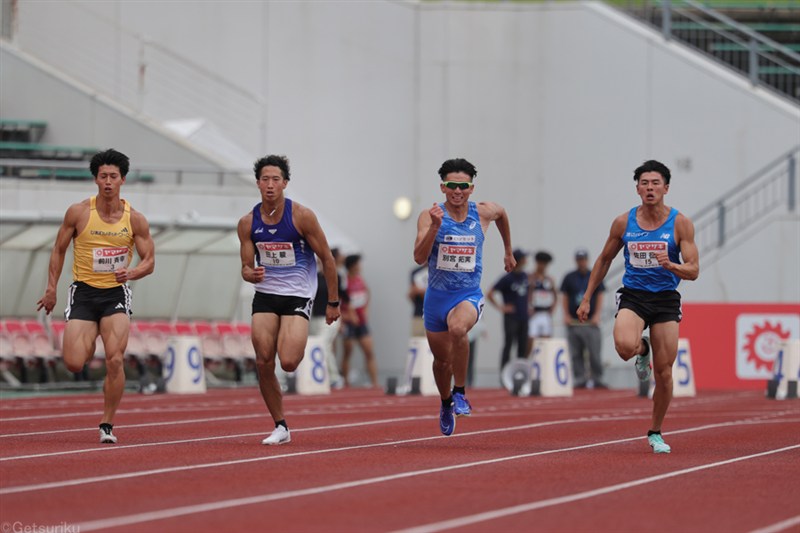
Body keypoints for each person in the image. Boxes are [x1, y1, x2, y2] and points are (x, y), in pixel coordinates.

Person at [577, 159, 699, 454]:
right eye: (644, 183)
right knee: (622, 348)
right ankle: (642, 349)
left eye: (655, 183)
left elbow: (694, 269)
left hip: (666, 299)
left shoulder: (680, 223)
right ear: (637, 188)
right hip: (634, 295)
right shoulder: (624, 222)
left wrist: (673, 265)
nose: (650, 188)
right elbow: (604, 259)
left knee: (665, 373)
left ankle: (655, 431)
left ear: (666, 188)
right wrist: (587, 296)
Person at [36, 149, 155, 444]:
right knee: (75, 363)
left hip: (115, 294)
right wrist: (51, 288)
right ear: (95, 179)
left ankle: (107, 424)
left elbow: (149, 260)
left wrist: (133, 273)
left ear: (123, 180)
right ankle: (88, 342)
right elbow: (59, 250)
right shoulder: (78, 212)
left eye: (113, 176)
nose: (108, 182)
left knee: (115, 359)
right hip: (84, 293)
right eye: (103, 176)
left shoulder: (135, 219)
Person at [237, 154, 340, 445]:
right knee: (263, 360)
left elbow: (327, 259)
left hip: (297, 295)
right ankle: (280, 425)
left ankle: (290, 340)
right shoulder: (247, 223)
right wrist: (249, 274)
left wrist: (333, 302)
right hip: (266, 295)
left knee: (290, 362)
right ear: (258, 183)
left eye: (276, 180)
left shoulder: (301, 216)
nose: (270, 185)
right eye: (265, 179)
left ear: (285, 183)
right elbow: (245, 267)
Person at [413, 158, 515, 436]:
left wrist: (508, 249)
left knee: (459, 329)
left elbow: (503, 214)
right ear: (443, 187)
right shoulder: (429, 215)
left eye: (463, 186)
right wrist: (434, 227)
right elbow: (419, 257)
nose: (457, 191)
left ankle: (460, 392)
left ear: (471, 188)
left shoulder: (483, 212)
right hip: (436, 298)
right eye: (451, 185)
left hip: (467, 294)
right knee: (441, 361)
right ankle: (446, 402)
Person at [561, 249, 606, 389]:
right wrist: (566, 315)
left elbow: (600, 294)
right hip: (575, 322)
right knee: (576, 353)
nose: (582, 262)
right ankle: (580, 378)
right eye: (579, 259)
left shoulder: (594, 275)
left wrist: (597, 314)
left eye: (584, 259)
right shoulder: (569, 277)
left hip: (590, 322)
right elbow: (564, 296)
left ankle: (597, 378)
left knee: (594, 352)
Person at [487, 249, 529, 375]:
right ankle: (504, 374)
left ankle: (521, 374)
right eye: (524, 258)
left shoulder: (524, 276)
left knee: (523, 346)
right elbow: (490, 293)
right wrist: (501, 307)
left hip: (524, 317)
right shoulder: (507, 278)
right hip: (511, 318)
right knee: (509, 344)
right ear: (519, 260)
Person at [340, 254, 379, 388]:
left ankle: (374, 383)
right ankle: (346, 382)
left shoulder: (360, 280)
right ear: (352, 265)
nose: (360, 266)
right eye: (357, 264)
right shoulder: (344, 281)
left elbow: (367, 293)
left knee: (369, 351)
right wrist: (346, 317)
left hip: (361, 322)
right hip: (348, 322)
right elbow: (338, 302)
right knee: (348, 351)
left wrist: (366, 309)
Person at [309, 249, 344, 389]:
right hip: (315, 317)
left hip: (330, 317)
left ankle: (335, 377)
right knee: (319, 346)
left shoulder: (337, 276)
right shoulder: (314, 276)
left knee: (323, 344)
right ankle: (324, 376)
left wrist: (344, 317)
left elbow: (343, 297)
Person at [527, 250, 557, 354]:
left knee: (546, 340)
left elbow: (555, 296)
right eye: (541, 263)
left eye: (545, 264)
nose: (543, 266)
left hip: (545, 313)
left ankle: (544, 361)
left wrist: (552, 309)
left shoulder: (549, 280)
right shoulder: (531, 278)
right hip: (534, 313)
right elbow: (527, 294)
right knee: (531, 338)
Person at [408, 264, 428, 338]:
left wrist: (421, 291)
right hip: (419, 313)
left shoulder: (441, 272)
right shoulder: (416, 272)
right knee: (417, 342)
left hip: (437, 315)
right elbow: (412, 293)